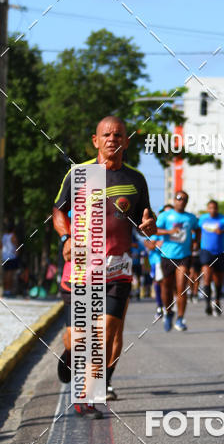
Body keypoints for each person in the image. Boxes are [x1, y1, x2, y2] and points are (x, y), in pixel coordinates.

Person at [53, 115, 156, 417]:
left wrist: (150, 225)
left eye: (118, 134)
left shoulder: (135, 179)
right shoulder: (79, 174)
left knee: (105, 332)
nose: (113, 139)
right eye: (106, 135)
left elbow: (145, 218)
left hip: (116, 267)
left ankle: (88, 395)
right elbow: (58, 211)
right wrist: (66, 238)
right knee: (78, 338)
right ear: (95, 141)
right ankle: (72, 353)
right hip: (81, 265)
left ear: (126, 141)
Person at [155, 191, 198, 332]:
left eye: (184, 199)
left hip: (184, 257)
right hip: (167, 256)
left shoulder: (191, 218)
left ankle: (180, 318)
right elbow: (154, 230)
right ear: (174, 200)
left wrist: (196, 242)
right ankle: (168, 312)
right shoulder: (165, 216)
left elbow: (197, 229)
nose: (181, 201)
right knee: (166, 287)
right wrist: (169, 232)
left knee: (181, 287)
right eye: (179, 198)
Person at [197, 199, 224, 315]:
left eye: (215, 208)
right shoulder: (202, 219)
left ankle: (217, 301)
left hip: (220, 252)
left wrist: (223, 231)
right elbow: (197, 230)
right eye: (210, 208)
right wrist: (195, 243)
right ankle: (207, 303)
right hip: (206, 251)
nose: (213, 210)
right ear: (207, 209)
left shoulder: (223, 219)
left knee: (218, 279)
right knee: (207, 277)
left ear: (217, 209)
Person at [2, 222, 19, 296]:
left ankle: (5, 290)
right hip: (11, 257)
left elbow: (1, 246)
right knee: (10, 274)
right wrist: (17, 255)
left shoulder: (4, 236)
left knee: (6, 274)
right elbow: (16, 247)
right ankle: (8, 291)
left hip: (4, 256)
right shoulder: (13, 236)